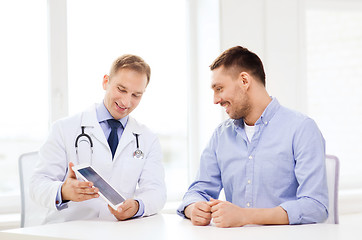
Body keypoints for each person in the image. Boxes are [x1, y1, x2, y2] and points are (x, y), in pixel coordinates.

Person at [177, 46, 328, 227]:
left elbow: (316, 206)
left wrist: (245, 216)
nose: (215, 100)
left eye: (219, 88)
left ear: (244, 80)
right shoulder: (221, 135)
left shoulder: (301, 128)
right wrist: (194, 208)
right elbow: (198, 190)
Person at [31, 54, 166, 224]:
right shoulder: (63, 128)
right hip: (67, 231)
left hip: (116, 232)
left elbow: (156, 191)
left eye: (136, 95)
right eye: (121, 89)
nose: (126, 101)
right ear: (105, 82)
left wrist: (138, 206)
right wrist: (63, 191)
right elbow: (37, 185)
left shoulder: (148, 138)